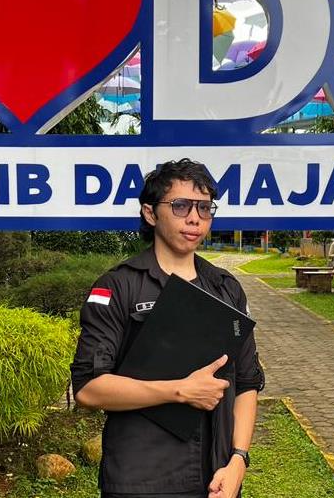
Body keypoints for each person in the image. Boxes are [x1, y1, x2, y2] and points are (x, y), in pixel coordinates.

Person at [70, 159, 265, 498]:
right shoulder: (118, 287)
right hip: (142, 479)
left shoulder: (226, 288)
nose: (194, 218)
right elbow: (88, 389)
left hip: (217, 478)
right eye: (180, 206)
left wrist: (238, 460)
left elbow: (247, 382)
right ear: (150, 213)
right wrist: (179, 390)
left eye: (204, 208)